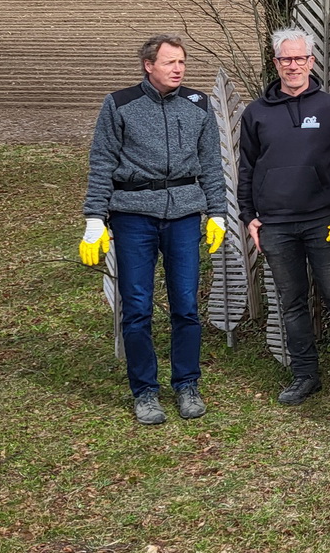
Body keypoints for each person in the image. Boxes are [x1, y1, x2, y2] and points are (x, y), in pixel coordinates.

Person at [79, 34, 225, 425]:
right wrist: (95, 219)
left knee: (186, 305)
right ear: (148, 65)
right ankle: (145, 391)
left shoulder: (198, 104)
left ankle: (187, 384)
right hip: (133, 215)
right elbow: (102, 162)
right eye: (169, 62)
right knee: (138, 307)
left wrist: (218, 212)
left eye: (181, 63)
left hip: (183, 214)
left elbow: (211, 162)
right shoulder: (120, 104)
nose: (178, 69)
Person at [237, 27, 330, 411]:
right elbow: (246, 168)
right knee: (291, 302)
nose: (293, 65)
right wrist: (249, 216)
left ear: (312, 61)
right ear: (275, 63)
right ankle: (305, 375)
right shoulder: (256, 113)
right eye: (285, 59)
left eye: (300, 58)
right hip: (275, 225)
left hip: (325, 221)